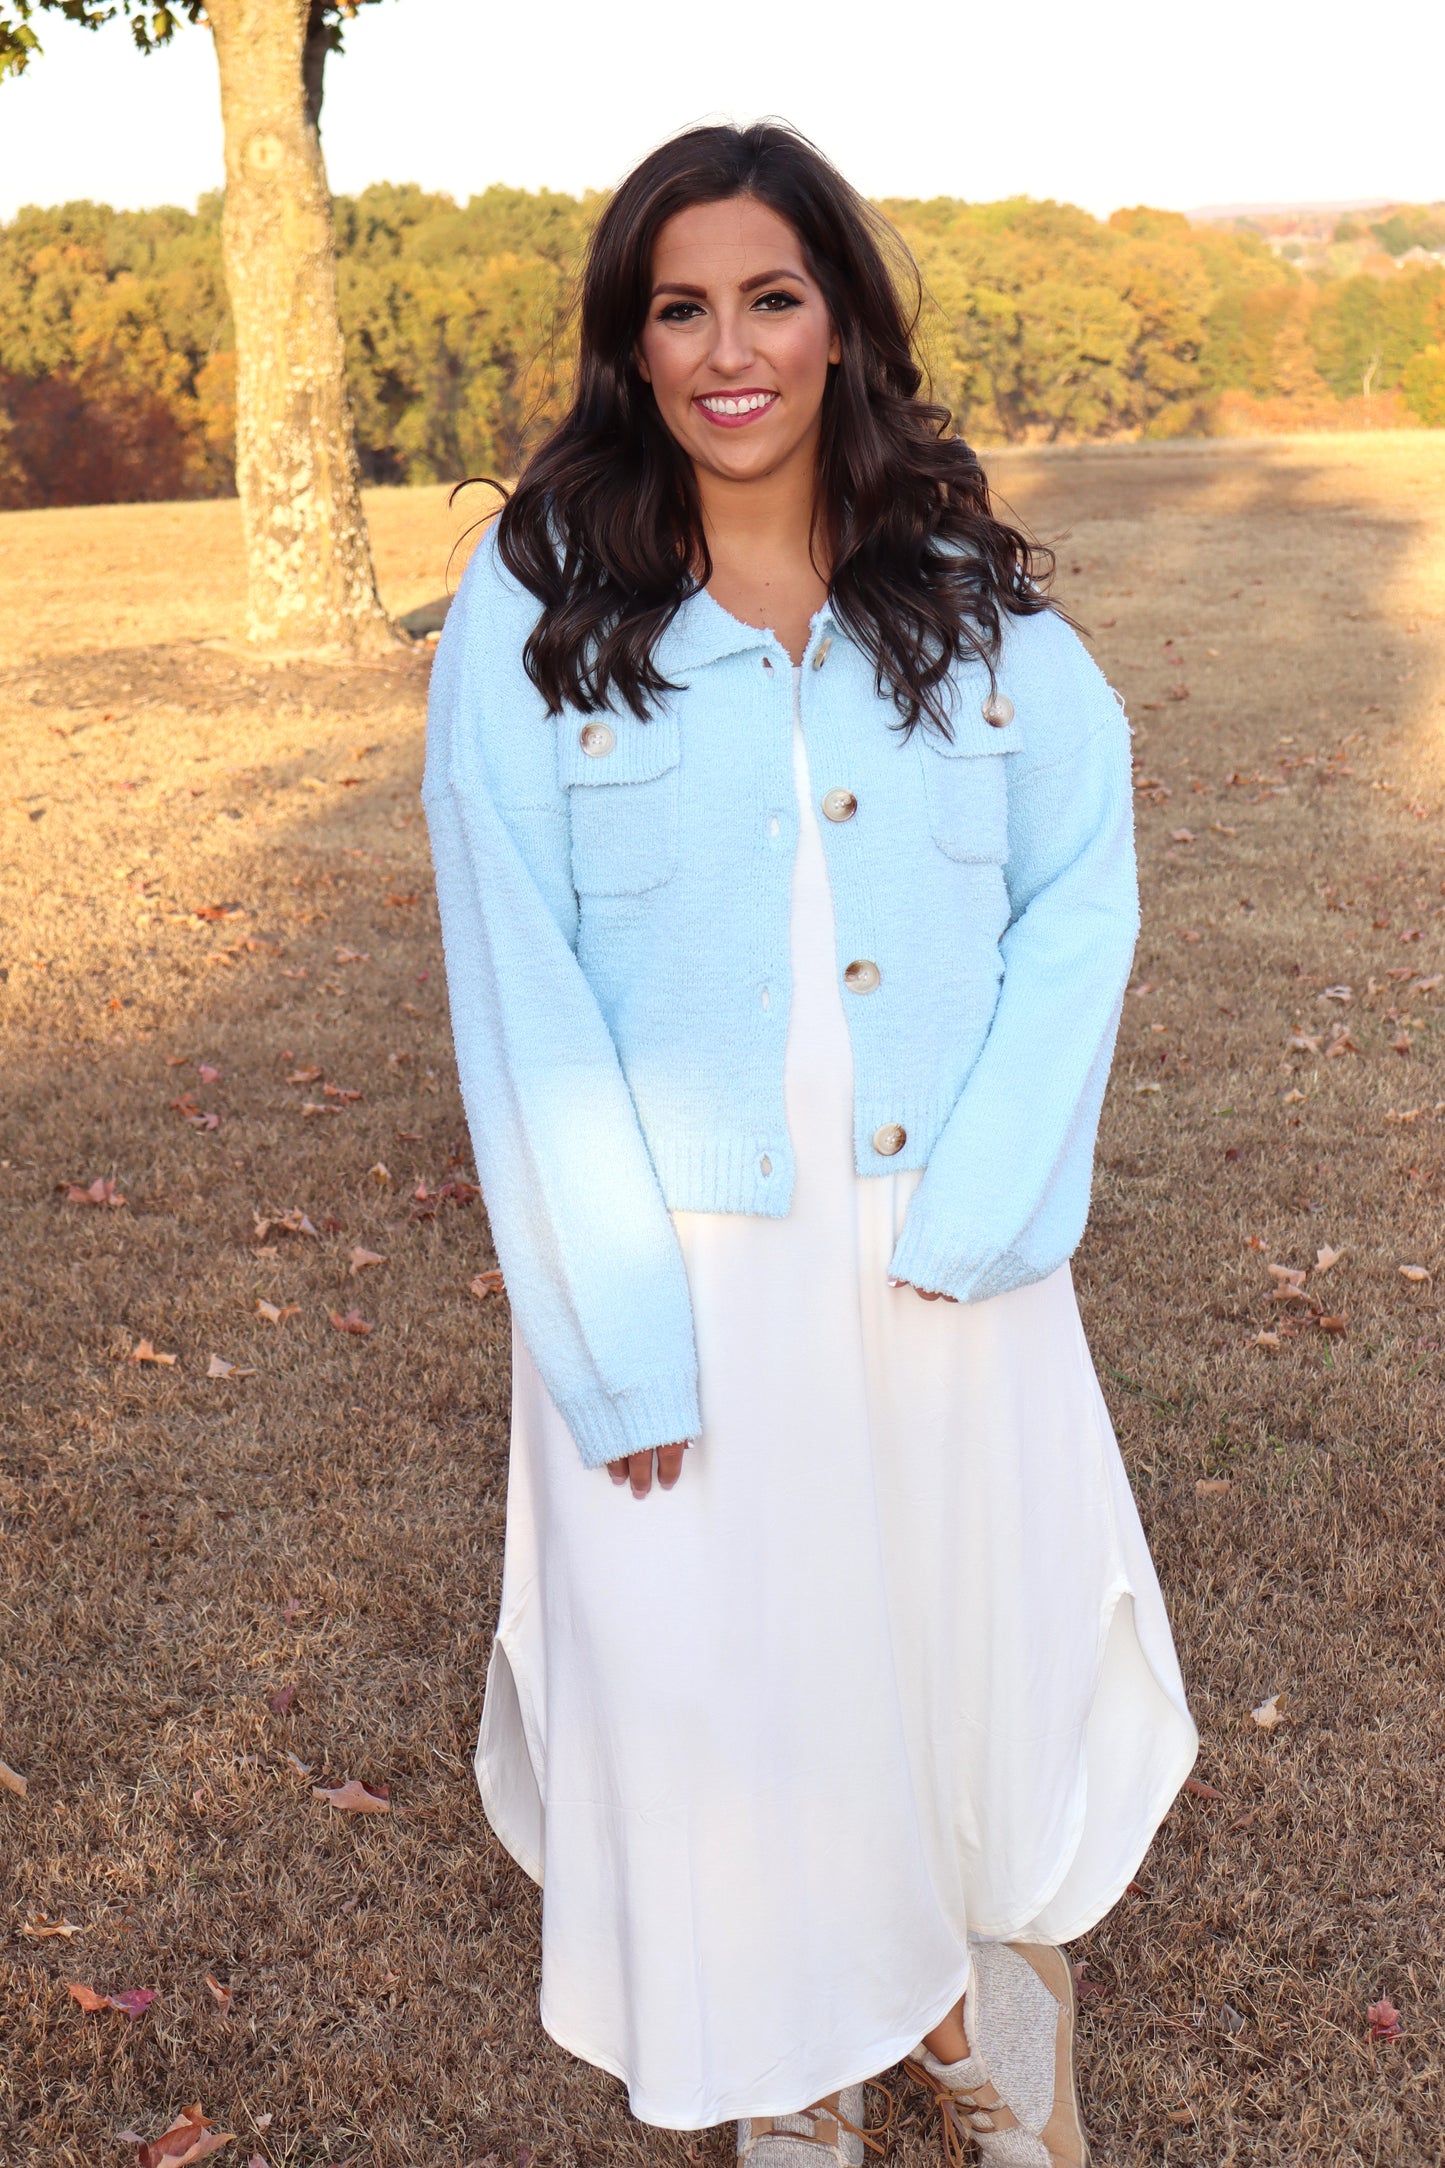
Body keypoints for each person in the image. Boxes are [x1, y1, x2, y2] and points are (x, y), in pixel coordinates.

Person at [423, 119, 1197, 2168]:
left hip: (937, 1237)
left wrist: (994, 1204)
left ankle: (963, 2010)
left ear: (843, 323)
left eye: (772, 296)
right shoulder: (534, 606)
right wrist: (611, 1336)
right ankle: (802, 2076)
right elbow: (519, 979)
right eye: (682, 307)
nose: (729, 347)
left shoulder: (966, 606)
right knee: (709, 1690)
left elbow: (1080, 897)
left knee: (942, 1658)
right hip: (670, 1262)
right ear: (632, 344)